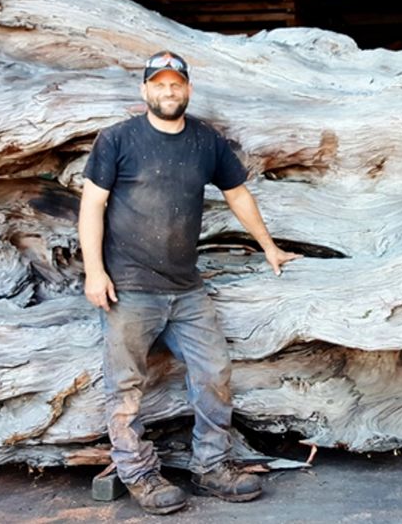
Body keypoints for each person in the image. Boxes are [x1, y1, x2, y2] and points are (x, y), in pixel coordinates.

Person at [78, 51, 301, 515]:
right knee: (125, 389)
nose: (168, 90)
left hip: (186, 288)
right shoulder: (118, 139)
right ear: (145, 91)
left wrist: (269, 246)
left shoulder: (205, 141)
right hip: (129, 287)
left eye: (175, 83)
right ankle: (138, 473)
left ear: (188, 89)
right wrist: (94, 271)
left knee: (214, 373)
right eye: (158, 84)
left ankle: (211, 465)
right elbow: (92, 207)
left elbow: (237, 193)